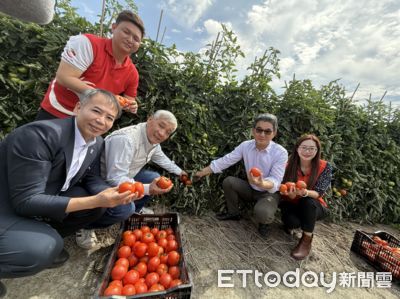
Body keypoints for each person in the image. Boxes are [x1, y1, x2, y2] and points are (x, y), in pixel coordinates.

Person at [0, 89, 139, 297]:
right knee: (43, 247)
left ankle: (42, 235)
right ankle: (35, 243)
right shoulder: (40, 135)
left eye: (109, 117)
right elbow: (26, 200)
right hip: (8, 205)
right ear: (78, 107)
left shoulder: (95, 142)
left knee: (95, 206)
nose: (101, 121)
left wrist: (109, 194)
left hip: (43, 196)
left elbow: (90, 177)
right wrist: (95, 200)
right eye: (96, 111)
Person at [36, 10, 145, 120]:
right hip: (57, 111)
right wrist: (107, 98)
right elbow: (63, 77)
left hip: (90, 122)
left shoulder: (132, 73)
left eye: (136, 39)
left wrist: (131, 105)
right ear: (114, 28)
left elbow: (129, 99)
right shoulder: (88, 43)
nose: (130, 40)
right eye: (126, 32)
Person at [194, 113, 288, 238]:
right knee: (229, 182)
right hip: (250, 187)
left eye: (267, 131)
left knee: (263, 212)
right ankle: (234, 213)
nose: (262, 134)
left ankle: (263, 223)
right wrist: (200, 173)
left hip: (268, 193)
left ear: (274, 133)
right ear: (253, 131)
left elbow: (276, 180)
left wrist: (261, 183)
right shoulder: (246, 146)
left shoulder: (280, 152)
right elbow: (226, 160)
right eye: (259, 130)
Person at [101, 110, 188, 216]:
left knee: (154, 177)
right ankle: (90, 224)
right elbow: (114, 178)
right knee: (125, 209)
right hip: (103, 181)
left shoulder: (153, 143)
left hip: (125, 176)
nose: (162, 133)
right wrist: (147, 189)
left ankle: (135, 212)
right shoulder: (127, 140)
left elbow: (163, 160)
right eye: (161, 125)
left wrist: (180, 173)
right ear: (150, 119)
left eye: (167, 132)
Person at [279, 134, 332, 260]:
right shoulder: (287, 165)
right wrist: (289, 194)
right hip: (291, 203)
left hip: (313, 205)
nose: (307, 151)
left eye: (312, 148)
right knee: (292, 223)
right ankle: (295, 223)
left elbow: (319, 192)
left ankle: (306, 239)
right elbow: (281, 188)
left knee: (308, 201)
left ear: (317, 151)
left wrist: (304, 193)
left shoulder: (325, 167)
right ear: (297, 148)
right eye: (304, 147)